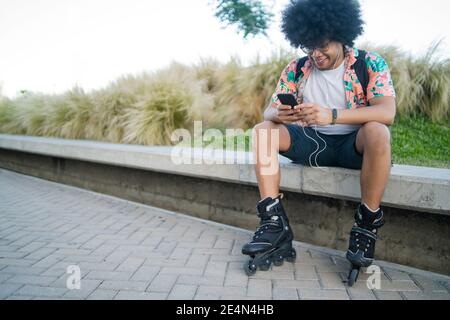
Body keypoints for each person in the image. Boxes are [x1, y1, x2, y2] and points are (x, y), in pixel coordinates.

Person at [241, 0, 396, 285]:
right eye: (308, 46)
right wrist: (282, 114)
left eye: (322, 45)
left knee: (378, 131)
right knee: (264, 129)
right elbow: (268, 111)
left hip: (353, 145)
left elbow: (387, 112)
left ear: (340, 35)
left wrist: (332, 115)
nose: (315, 54)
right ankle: (274, 223)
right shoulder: (298, 68)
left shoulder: (368, 63)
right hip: (312, 144)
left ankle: (366, 226)